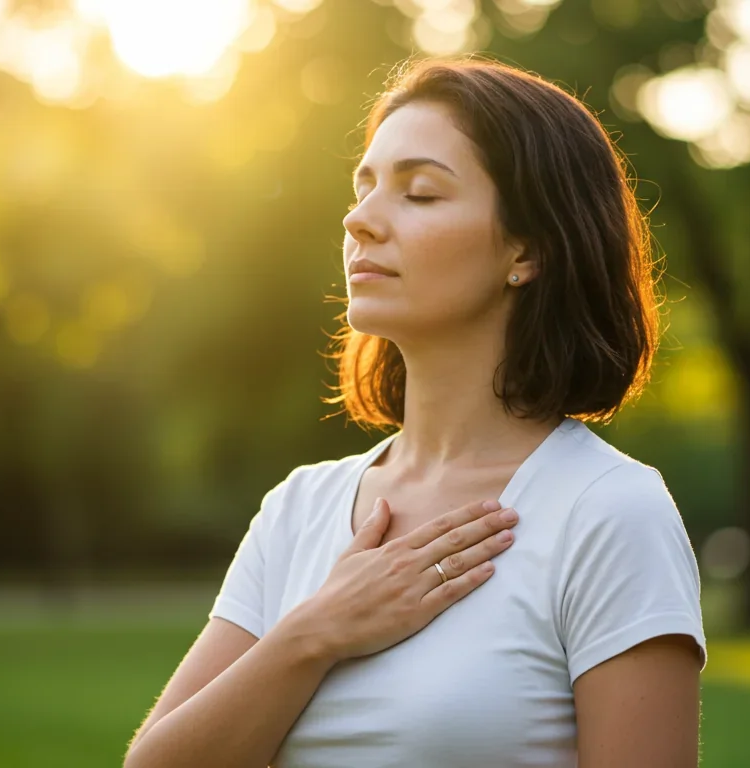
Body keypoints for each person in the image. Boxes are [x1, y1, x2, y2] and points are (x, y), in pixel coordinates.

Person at [124, 56, 707, 768]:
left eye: (420, 193)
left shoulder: (609, 512)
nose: (359, 220)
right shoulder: (299, 509)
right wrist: (316, 632)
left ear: (528, 249)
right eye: (363, 187)